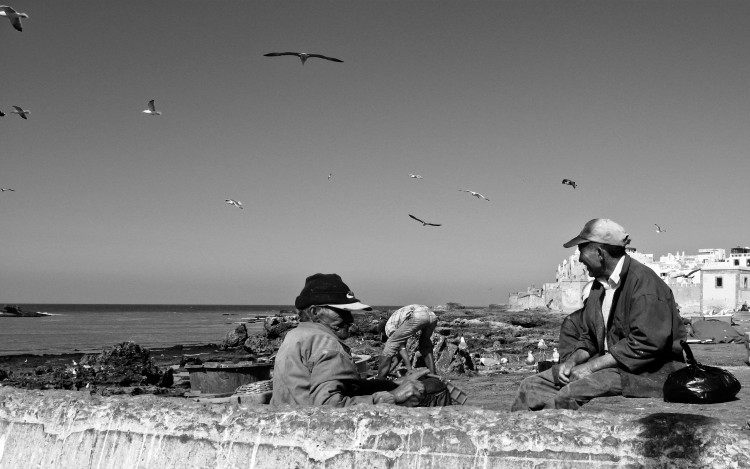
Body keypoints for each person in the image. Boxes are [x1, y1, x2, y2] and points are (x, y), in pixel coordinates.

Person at [511, 218, 687, 411]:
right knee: (530, 387)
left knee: (569, 395)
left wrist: (591, 367)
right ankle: (520, 436)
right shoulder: (598, 286)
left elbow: (646, 344)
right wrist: (571, 362)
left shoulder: (644, 284)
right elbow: (590, 338)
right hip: (611, 365)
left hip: (647, 371)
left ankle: (553, 436)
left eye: (581, 251)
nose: (579, 259)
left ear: (599, 252)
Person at [271, 273, 428, 407]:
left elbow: (341, 386)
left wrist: (391, 384)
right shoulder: (326, 343)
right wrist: (392, 395)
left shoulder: (295, 335)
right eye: (342, 312)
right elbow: (329, 406)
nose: (350, 319)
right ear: (315, 311)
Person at [377, 304, 438, 379]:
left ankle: (380, 379)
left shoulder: (388, 327)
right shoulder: (397, 322)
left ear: (382, 332)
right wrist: (395, 363)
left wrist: (409, 369)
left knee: (390, 344)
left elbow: (401, 348)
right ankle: (433, 375)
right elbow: (401, 349)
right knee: (425, 345)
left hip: (417, 315)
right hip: (432, 315)